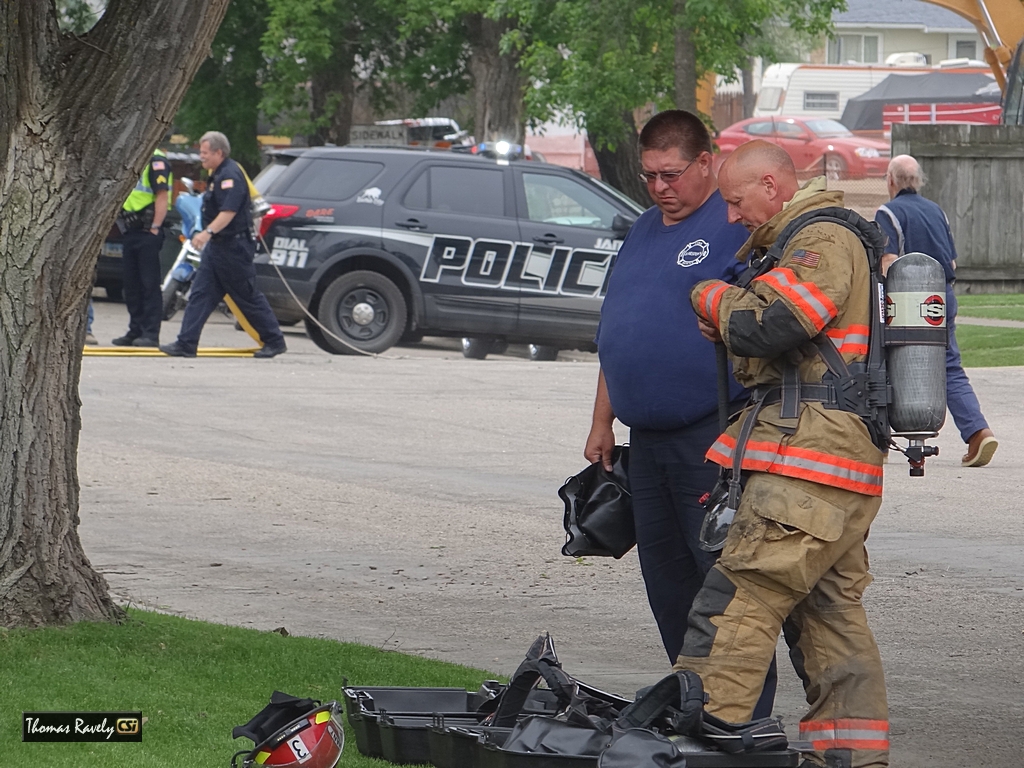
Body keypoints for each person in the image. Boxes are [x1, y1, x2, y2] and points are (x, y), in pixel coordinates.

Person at [679, 140, 889, 768]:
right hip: (836, 467)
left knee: (739, 597)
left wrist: (711, 298)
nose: (732, 216)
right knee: (829, 620)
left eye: (736, 200)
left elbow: (775, 322)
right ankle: (849, 757)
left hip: (809, 463)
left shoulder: (820, 240)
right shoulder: (808, 241)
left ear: (772, 185)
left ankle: (694, 744)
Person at [583, 110, 776, 718]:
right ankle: (690, 701)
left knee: (721, 581)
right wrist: (601, 420)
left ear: (705, 163)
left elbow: (768, 323)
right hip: (646, 439)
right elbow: (617, 332)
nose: (660, 187)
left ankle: (739, 714)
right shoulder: (643, 229)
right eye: (649, 177)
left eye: (670, 174)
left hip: (711, 435)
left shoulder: (734, 225)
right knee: (665, 581)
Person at [875, 154, 997, 467]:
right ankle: (978, 433)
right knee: (949, 365)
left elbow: (888, 262)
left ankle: (881, 443)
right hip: (941, 297)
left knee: (887, 362)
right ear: (917, 182)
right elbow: (951, 262)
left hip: (905, 299)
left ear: (891, 181)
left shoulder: (888, 212)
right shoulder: (936, 211)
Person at [160, 132, 286, 359]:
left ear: (219, 152)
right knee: (200, 294)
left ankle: (274, 341)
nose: (201, 157)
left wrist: (206, 233)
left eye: (205, 153)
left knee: (246, 295)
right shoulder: (217, 174)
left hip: (233, 248)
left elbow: (229, 212)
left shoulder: (230, 176)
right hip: (218, 247)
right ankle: (186, 343)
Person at [112, 148, 171, 347]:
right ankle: (135, 329)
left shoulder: (156, 160)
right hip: (130, 230)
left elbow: (162, 195)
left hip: (147, 230)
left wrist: (155, 227)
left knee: (149, 285)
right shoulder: (134, 156)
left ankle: (150, 333)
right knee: (131, 285)